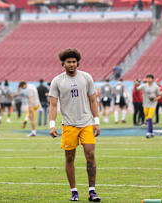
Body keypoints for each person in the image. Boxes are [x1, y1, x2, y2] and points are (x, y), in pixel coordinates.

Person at [49, 48, 101, 202]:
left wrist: (96, 122)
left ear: (77, 63)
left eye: (74, 62)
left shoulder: (86, 77)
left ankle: (92, 191)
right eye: (68, 62)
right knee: (69, 158)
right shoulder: (57, 81)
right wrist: (52, 125)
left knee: (90, 155)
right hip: (68, 125)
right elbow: (53, 105)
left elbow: (93, 101)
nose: (72, 64)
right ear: (63, 64)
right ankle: (74, 191)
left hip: (86, 123)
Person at [135, 74, 161, 138]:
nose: (148, 79)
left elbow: (159, 96)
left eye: (150, 78)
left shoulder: (156, 87)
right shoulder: (143, 86)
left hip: (153, 104)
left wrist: (155, 99)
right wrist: (136, 84)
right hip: (145, 104)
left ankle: (148, 132)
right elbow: (137, 90)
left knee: (149, 118)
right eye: (147, 78)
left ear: (152, 79)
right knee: (148, 119)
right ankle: (151, 133)